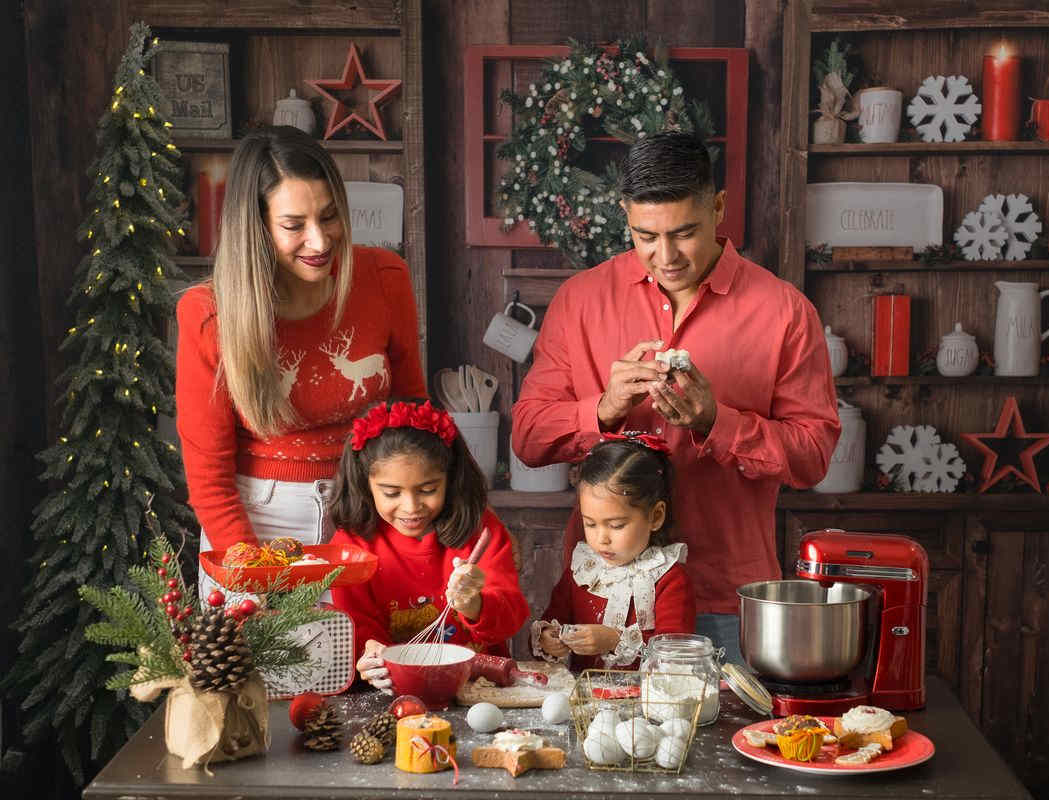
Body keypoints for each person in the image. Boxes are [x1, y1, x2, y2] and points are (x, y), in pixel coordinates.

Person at [512, 131, 840, 664]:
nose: (665, 257)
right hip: (600, 596)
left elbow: (813, 457)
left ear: (717, 207)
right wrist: (604, 408)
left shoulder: (785, 313)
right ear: (625, 216)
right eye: (645, 236)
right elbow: (527, 436)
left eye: (685, 233)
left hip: (725, 600)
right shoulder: (579, 301)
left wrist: (718, 422)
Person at [174, 126, 425, 595]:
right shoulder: (208, 314)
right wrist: (252, 578)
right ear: (257, 227)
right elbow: (208, 479)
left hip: (366, 513)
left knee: (364, 667)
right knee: (267, 667)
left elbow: (413, 419)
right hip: (257, 523)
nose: (320, 241)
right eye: (294, 225)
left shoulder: (385, 278)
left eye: (329, 217)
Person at [330, 400, 529, 694]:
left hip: (480, 688)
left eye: (428, 490)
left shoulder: (480, 531)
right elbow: (359, 629)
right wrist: (368, 652)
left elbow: (510, 617)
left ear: (451, 479)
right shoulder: (351, 547)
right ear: (364, 485)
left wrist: (473, 603)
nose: (411, 508)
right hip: (393, 691)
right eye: (391, 493)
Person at [532, 432, 694, 670]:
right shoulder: (583, 571)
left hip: (644, 702)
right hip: (583, 701)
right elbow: (553, 620)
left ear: (655, 516)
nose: (601, 539)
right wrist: (548, 638)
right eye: (590, 523)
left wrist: (614, 641)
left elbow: (673, 658)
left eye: (616, 525)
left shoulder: (668, 579)